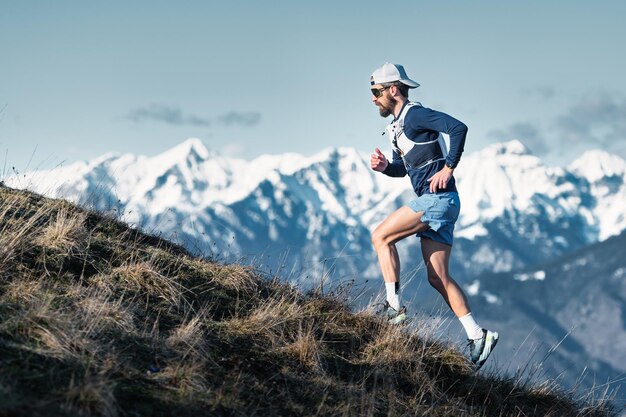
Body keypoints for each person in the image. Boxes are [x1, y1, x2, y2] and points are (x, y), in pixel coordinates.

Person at [368, 62, 498, 369]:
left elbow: (458, 128)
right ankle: (478, 335)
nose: (373, 99)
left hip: (437, 200)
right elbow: (408, 169)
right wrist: (387, 168)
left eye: (375, 92)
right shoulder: (398, 126)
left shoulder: (414, 114)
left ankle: (393, 307)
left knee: (380, 236)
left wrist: (449, 167)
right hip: (445, 202)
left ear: (393, 90)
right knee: (437, 277)